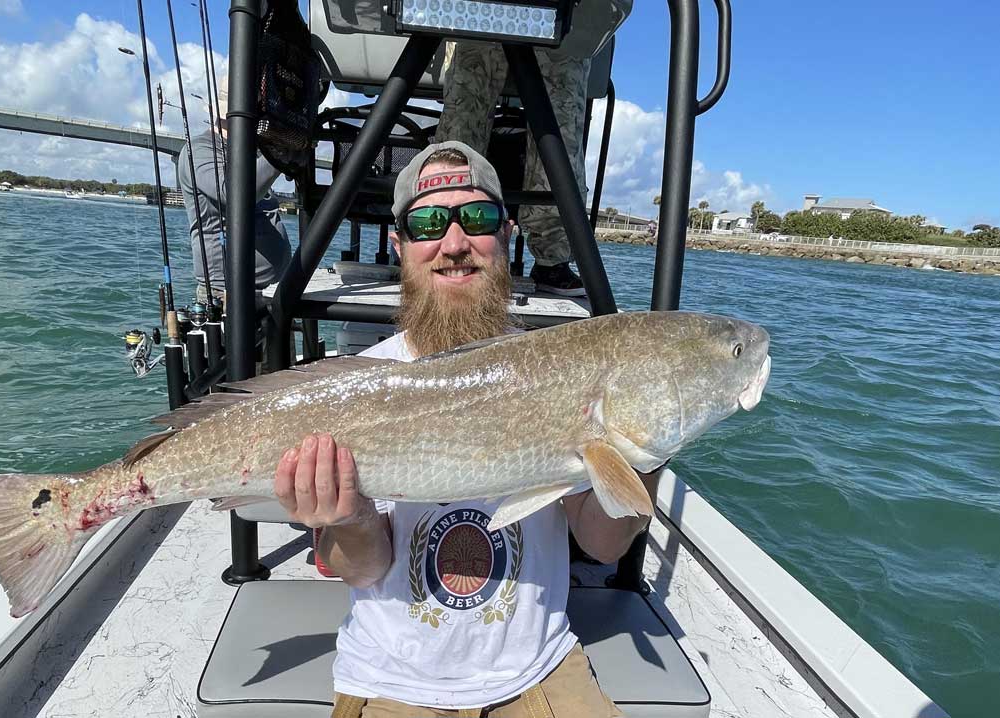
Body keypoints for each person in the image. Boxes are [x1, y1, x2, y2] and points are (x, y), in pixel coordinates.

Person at [273, 141, 659, 716]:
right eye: (429, 224)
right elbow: (362, 568)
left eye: (476, 220)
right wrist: (348, 517)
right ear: (400, 246)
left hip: (543, 671)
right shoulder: (358, 381)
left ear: (505, 236)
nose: (454, 244)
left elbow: (602, 544)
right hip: (390, 681)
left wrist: (647, 446)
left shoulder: (561, 370)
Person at [435, 0, 633, 298]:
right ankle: (437, 231)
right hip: (475, 14)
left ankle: (551, 259)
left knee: (560, 121)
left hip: (565, 19)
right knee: (464, 110)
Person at [177, 90, 292, 304]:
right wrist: (280, 151)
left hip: (271, 292)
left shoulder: (252, 152)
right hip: (228, 294)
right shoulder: (201, 149)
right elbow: (232, 196)